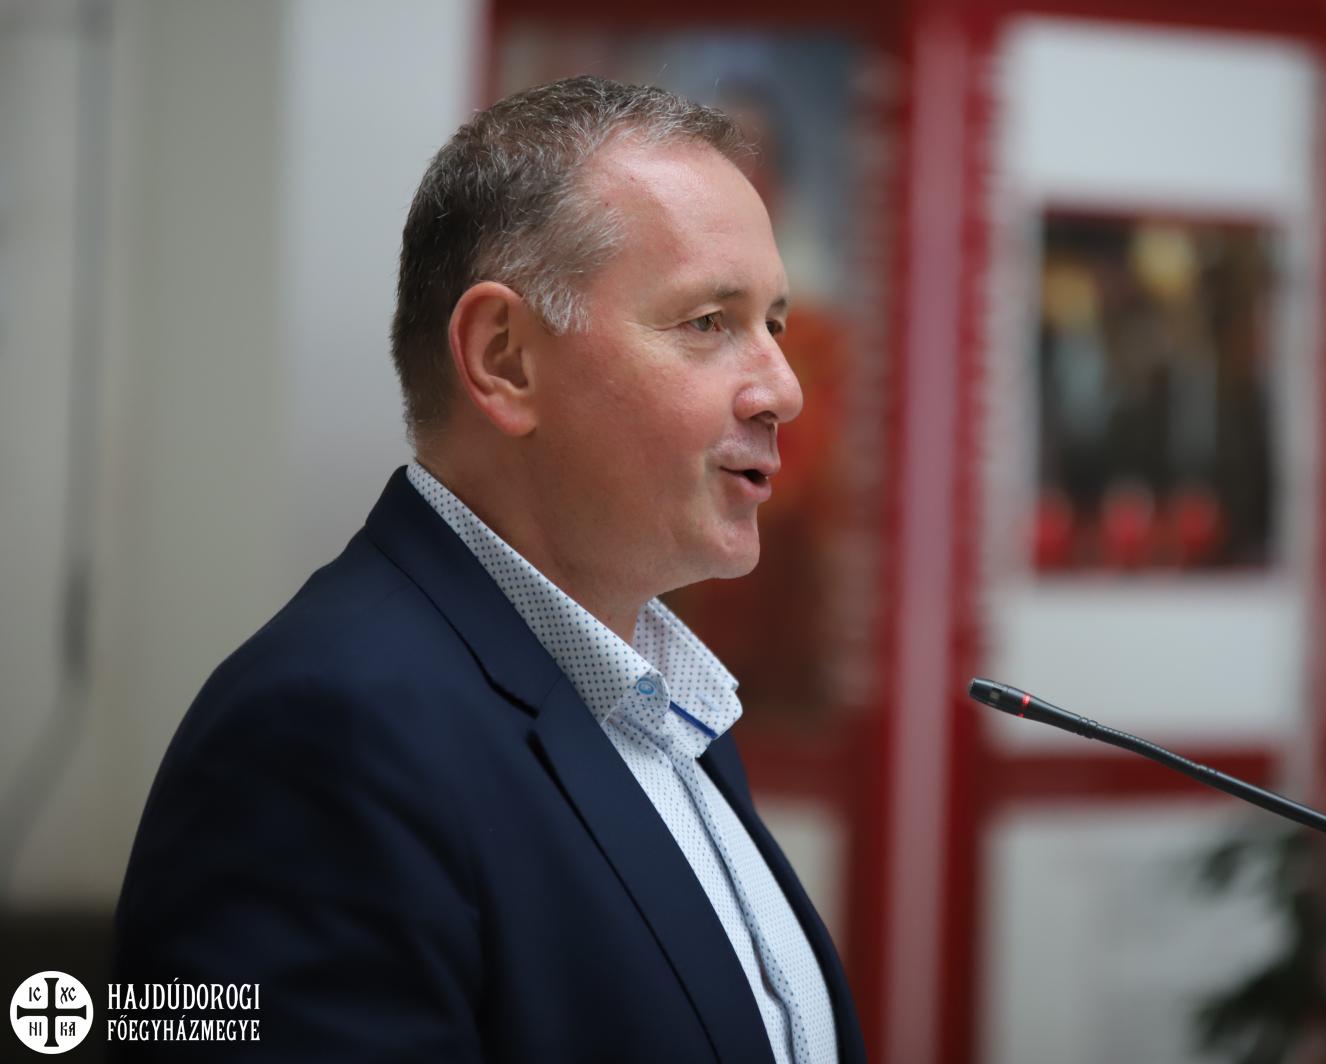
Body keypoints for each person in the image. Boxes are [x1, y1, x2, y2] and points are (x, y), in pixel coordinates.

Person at [111, 75, 866, 1064]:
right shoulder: (320, 734)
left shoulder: (666, 702)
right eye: (707, 323)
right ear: (504, 358)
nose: (784, 388)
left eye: (773, 323)